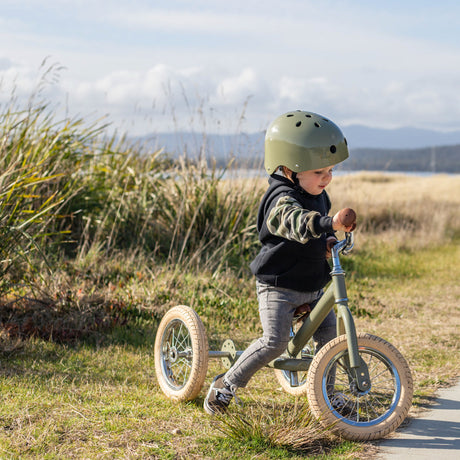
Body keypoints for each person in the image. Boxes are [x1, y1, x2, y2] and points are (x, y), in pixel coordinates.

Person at [204, 110, 355, 415]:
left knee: (330, 336)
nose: (327, 178)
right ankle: (225, 384)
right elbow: (297, 222)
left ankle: (327, 394)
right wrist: (328, 223)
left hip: (312, 283)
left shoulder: (318, 193)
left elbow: (317, 229)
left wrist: (328, 241)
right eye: (319, 171)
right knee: (274, 342)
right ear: (288, 168)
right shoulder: (280, 199)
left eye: (330, 170)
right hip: (279, 285)